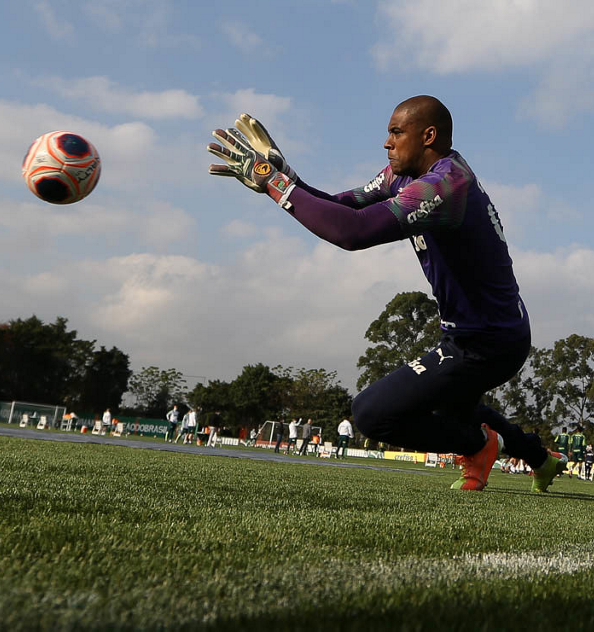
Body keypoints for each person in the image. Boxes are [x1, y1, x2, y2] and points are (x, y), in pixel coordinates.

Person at [205, 97, 566, 491]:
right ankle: (539, 459)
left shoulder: (445, 186)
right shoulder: (402, 176)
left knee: (372, 414)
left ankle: (478, 445)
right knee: (456, 406)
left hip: (490, 341)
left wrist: (271, 182)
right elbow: (342, 207)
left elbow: (352, 232)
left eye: (396, 132)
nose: (386, 142)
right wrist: (283, 175)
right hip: (478, 331)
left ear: (428, 136)